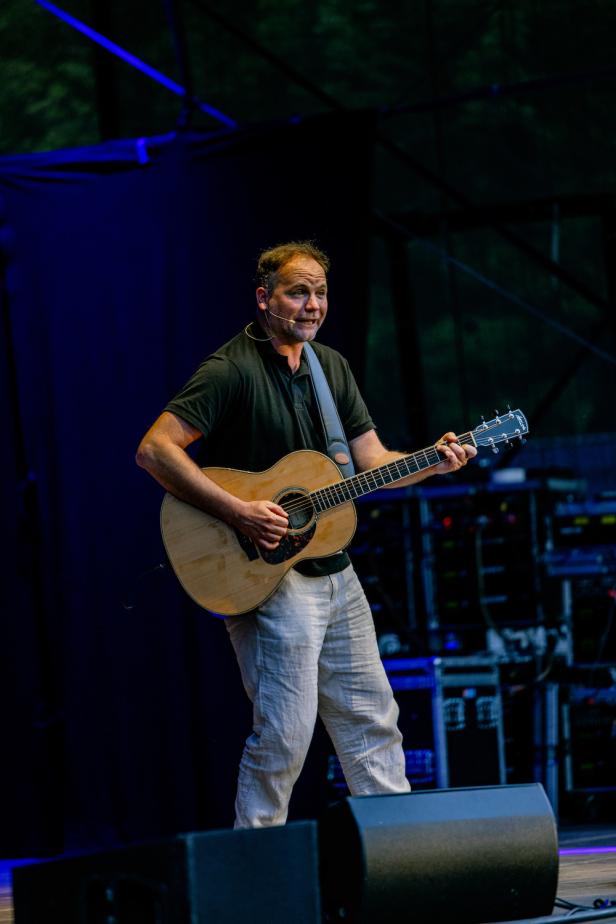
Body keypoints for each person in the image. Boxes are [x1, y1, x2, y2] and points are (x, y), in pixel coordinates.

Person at [135, 240, 477, 829]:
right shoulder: (230, 370)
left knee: (373, 720)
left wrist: (433, 462)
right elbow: (154, 449)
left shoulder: (330, 368)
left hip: (334, 571)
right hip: (267, 576)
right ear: (265, 298)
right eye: (298, 291)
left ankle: (401, 865)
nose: (312, 304)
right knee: (286, 737)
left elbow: (372, 463)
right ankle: (254, 874)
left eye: (320, 292)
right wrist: (240, 511)